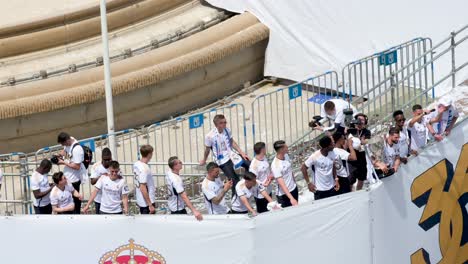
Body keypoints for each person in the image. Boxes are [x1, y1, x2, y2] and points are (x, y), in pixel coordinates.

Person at [200, 114, 250, 192]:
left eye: (225, 122)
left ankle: (247, 184)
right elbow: (207, 149)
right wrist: (204, 159)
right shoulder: (210, 136)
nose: (224, 124)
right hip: (222, 160)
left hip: (231, 155)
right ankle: (236, 199)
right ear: (216, 124)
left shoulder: (227, 130)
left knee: (249, 164)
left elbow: (232, 142)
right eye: (222, 123)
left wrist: (241, 152)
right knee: (234, 180)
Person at [57, 132, 87, 214]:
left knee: (75, 205)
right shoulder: (70, 139)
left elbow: (77, 167)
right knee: (66, 203)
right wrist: (59, 155)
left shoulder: (77, 150)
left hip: (74, 180)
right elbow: (65, 150)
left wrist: (63, 162)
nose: (63, 145)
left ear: (67, 140)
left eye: (63, 143)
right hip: (68, 178)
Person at [165, 156, 203, 221]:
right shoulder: (176, 180)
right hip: (178, 209)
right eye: (179, 163)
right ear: (174, 166)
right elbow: (183, 196)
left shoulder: (169, 173)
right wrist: (194, 211)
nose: (181, 163)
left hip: (172, 206)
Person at [346, 113, 371, 190]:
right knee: (351, 179)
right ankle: (350, 193)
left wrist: (361, 141)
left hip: (362, 158)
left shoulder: (366, 131)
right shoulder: (350, 130)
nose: (360, 122)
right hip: (352, 159)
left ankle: (358, 192)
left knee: (361, 177)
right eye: (358, 120)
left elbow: (366, 141)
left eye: (362, 120)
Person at [271, 140, 298, 208]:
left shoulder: (286, 156)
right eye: (286, 147)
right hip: (284, 195)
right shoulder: (275, 165)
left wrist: (295, 184)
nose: (287, 147)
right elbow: (282, 184)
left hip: (293, 189)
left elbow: (290, 171)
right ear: (281, 150)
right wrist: (291, 198)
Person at [249, 142, 274, 213]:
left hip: (268, 190)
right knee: (263, 213)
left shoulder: (264, 158)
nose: (266, 150)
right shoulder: (254, 165)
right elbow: (253, 180)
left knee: (271, 211)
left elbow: (267, 170)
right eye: (265, 148)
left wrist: (271, 177)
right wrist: (263, 184)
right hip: (260, 194)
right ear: (262, 150)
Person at [133, 145, 156, 214]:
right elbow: (142, 187)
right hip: (146, 203)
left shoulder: (136, 164)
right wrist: (150, 205)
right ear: (149, 154)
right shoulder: (144, 169)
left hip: (140, 200)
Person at [89, 148, 112, 214]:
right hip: (99, 199)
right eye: (105, 160)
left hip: (111, 200)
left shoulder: (114, 165)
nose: (107, 161)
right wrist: (100, 177)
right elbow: (92, 182)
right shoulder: (96, 166)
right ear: (102, 158)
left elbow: (120, 178)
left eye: (109, 159)